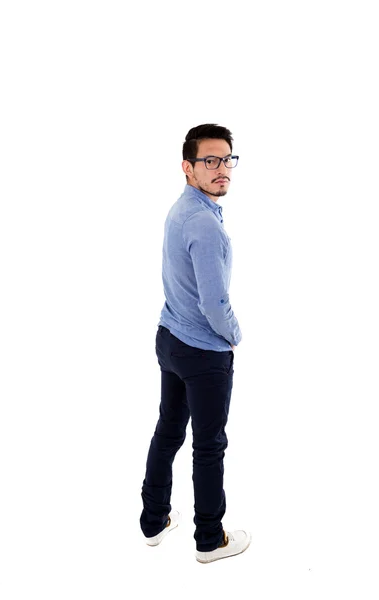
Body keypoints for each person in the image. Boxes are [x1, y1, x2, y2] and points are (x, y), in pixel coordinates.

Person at [139, 123, 252, 563]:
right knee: (209, 446)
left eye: (227, 159)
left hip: (170, 338)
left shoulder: (183, 208)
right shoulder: (204, 223)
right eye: (210, 161)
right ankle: (210, 539)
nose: (222, 169)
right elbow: (214, 302)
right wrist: (235, 335)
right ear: (188, 167)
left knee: (168, 430)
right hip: (203, 352)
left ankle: (153, 521)